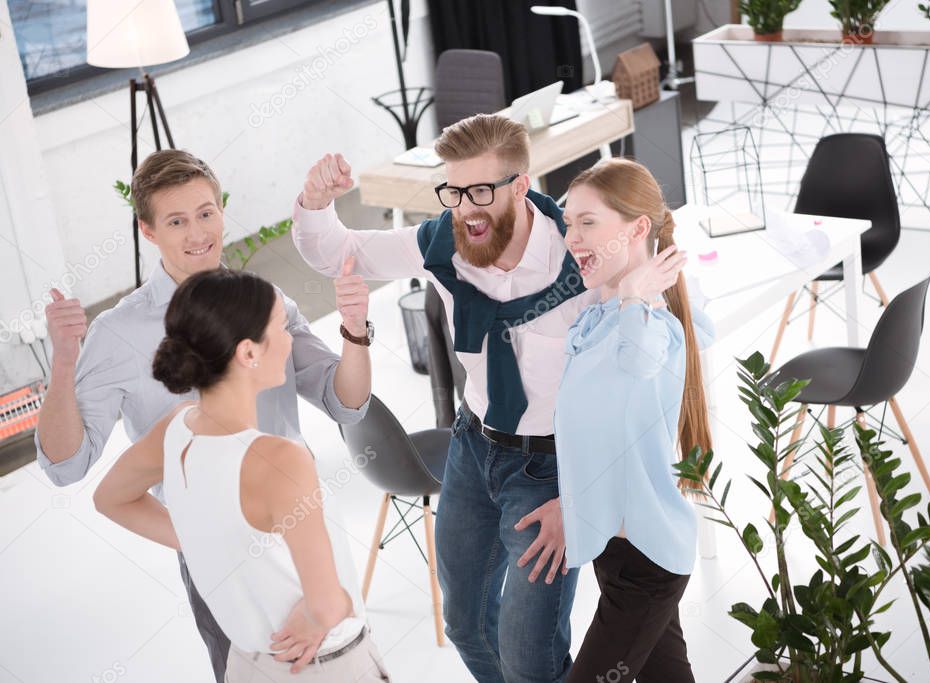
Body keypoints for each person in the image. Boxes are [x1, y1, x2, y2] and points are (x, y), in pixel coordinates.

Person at [292, 114, 611, 682]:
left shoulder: (580, 253)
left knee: (530, 654)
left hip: (554, 468)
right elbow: (336, 251)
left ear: (520, 184)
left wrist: (579, 498)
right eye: (455, 191)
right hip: (474, 449)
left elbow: (625, 395)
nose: (466, 208)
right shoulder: (443, 243)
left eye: (482, 191)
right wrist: (315, 203)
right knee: (465, 623)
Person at [36, 149, 372, 683]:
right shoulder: (118, 334)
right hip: (220, 564)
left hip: (301, 525)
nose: (198, 233)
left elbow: (345, 404)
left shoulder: (266, 301)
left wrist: (355, 329)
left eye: (207, 213)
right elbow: (66, 468)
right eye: (176, 220)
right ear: (147, 231)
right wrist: (63, 363)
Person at [93, 269, 389, 681]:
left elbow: (109, 498)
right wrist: (316, 611)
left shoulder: (177, 426)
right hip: (326, 667)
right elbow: (327, 606)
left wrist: (201, 541)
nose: (290, 341)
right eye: (281, 328)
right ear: (248, 353)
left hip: (247, 666)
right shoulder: (281, 461)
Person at [556, 158, 713, 683]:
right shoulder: (602, 315)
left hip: (645, 562)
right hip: (618, 552)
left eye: (588, 222)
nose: (572, 237)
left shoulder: (651, 328)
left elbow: (640, 361)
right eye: (568, 222)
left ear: (638, 227)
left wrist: (633, 295)